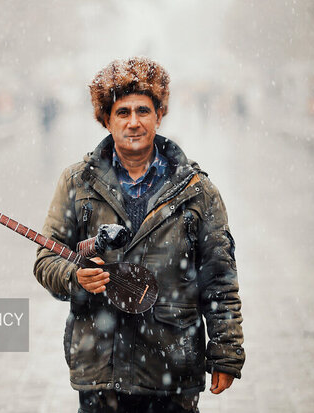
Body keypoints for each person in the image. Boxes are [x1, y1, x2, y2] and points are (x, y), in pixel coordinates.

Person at [33, 57, 245, 413]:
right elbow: (45, 260)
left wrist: (226, 353)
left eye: (143, 111)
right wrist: (75, 277)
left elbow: (220, 278)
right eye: (123, 112)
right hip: (102, 368)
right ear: (106, 120)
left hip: (172, 366)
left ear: (159, 116)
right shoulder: (77, 184)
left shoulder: (196, 191)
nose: (134, 122)